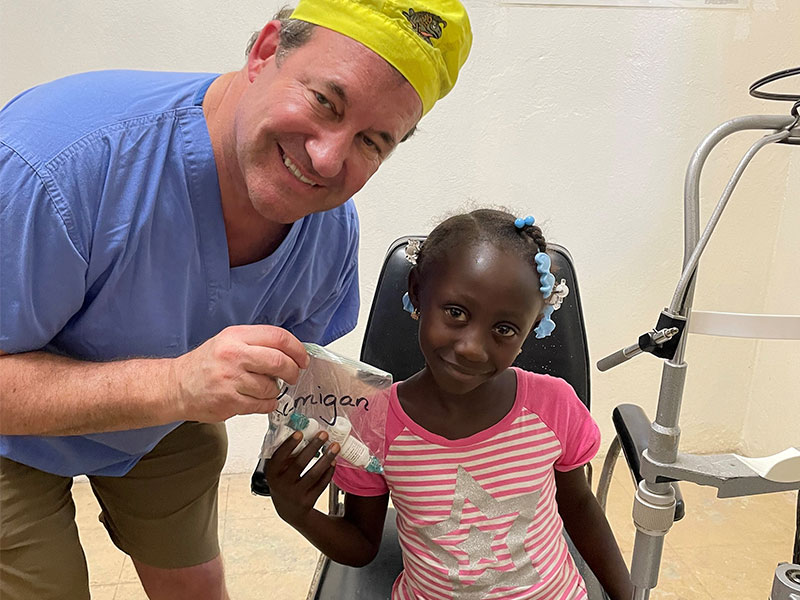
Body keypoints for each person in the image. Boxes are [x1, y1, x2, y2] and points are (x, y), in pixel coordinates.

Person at [0, 2, 471, 599]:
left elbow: (300, 378)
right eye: (326, 101)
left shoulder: (326, 232)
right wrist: (177, 385)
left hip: (162, 423)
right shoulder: (51, 167)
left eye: (373, 141)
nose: (327, 159)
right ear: (265, 50)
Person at [266, 208, 634, 599]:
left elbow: (578, 505)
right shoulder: (376, 422)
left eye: (504, 329)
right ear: (417, 293)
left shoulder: (553, 405)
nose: (473, 348)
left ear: (529, 331)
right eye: (456, 313)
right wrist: (296, 513)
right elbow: (361, 544)